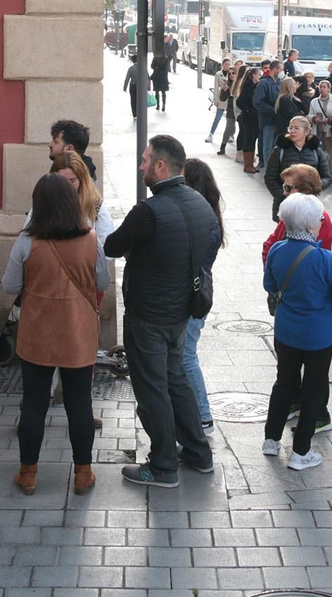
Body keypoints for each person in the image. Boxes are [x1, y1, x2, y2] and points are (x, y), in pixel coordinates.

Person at [104, 135, 216, 487]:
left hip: (148, 316)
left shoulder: (147, 211)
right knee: (176, 382)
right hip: (180, 312)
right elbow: (207, 250)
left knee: (153, 390)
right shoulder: (200, 203)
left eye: (145, 160)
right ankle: (199, 453)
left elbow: (111, 245)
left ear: (161, 166)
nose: (141, 166)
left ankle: (164, 465)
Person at [3, 172, 110, 495]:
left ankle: (28, 472)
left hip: (37, 330)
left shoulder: (26, 241)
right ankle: (82, 473)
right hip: (77, 332)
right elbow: (102, 283)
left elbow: (9, 285)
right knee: (79, 404)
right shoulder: (91, 239)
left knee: (33, 404)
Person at [262, 192, 332, 471]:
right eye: (318, 220)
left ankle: (271, 439)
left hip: (286, 332)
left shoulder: (277, 250)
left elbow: (270, 285)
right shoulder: (323, 259)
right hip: (318, 336)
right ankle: (301, 452)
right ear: (309, 225)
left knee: (284, 383)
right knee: (313, 389)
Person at [180, 159, 224, 432]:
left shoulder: (202, 218)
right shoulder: (207, 213)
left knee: (186, 355)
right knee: (184, 354)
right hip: (196, 291)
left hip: (193, 294)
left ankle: (204, 416)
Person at [264, 116, 329, 219]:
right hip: (285, 203)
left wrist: (312, 188)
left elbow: (327, 177)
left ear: (306, 131)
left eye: (296, 128)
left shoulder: (316, 151)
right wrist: (282, 194)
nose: (292, 131)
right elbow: (269, 177)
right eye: (291, 128)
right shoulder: (280, 150)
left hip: (309, 204)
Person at [307, 81, 332, 185]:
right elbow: (309, 114)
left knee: (329, 152)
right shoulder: (314, 101)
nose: (322, 89)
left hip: (329, 130)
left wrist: (330, 119)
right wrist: (314, 118)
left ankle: (330, 175)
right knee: (318, 152)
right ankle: (317, 174)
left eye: (324, 87)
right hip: (317, 130)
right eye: (320, 87)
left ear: (329, 89)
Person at [235, 67, 261, 173]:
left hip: (254, 118)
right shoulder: (248, 86)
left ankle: (251, 163)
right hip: (248, 118)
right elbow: (240, 101)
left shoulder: (255, 86)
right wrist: (248, 110)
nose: (260, 76)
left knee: (253, 140)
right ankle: (247, 165)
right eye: (259, 74)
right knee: (248, 140)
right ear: (253, 75)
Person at [254, 62, 282, 160]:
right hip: (268, 120)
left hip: (277, 120)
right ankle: (267, 168)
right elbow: (257, 102)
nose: (282, 72)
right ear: (275, 69)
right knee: (268, 146)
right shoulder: (264, 83)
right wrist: (273, 110)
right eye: (280, 69)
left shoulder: (278, 82)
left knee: (275, 146)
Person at [206, 69, 231, 146]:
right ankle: (211, 134)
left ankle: (229, 135)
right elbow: (216, 88)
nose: (227, 66)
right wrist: (215, 100)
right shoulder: (218, 74)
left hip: (230, 99)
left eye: (228, 64)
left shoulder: (231, 73)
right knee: (218, 117)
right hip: (222, 98)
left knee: (230, 120)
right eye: (225, 64)